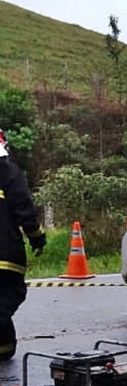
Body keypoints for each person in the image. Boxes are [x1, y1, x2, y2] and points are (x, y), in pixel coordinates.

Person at [0, 128, 45, 360]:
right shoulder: (7, 171)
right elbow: (23, 207)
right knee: (9, 293)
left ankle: (5, 349)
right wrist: (37, 237)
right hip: (5, 256)